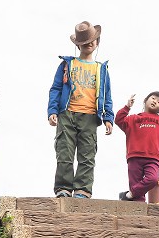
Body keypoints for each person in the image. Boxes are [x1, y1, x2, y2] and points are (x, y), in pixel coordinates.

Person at [47, 21, 114, 199]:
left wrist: (109, 117)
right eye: (84, 42)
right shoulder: (67, 64)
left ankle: (83, 190)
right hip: (67, 113)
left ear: (97, 42)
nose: (89, 44)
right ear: (78, 45)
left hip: (91, 117)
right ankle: (63, 188)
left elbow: (107, 94)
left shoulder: (101, 69)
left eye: (92, 40)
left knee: (87, 155)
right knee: (65, 151)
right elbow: (56, 89)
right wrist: (52, 110)